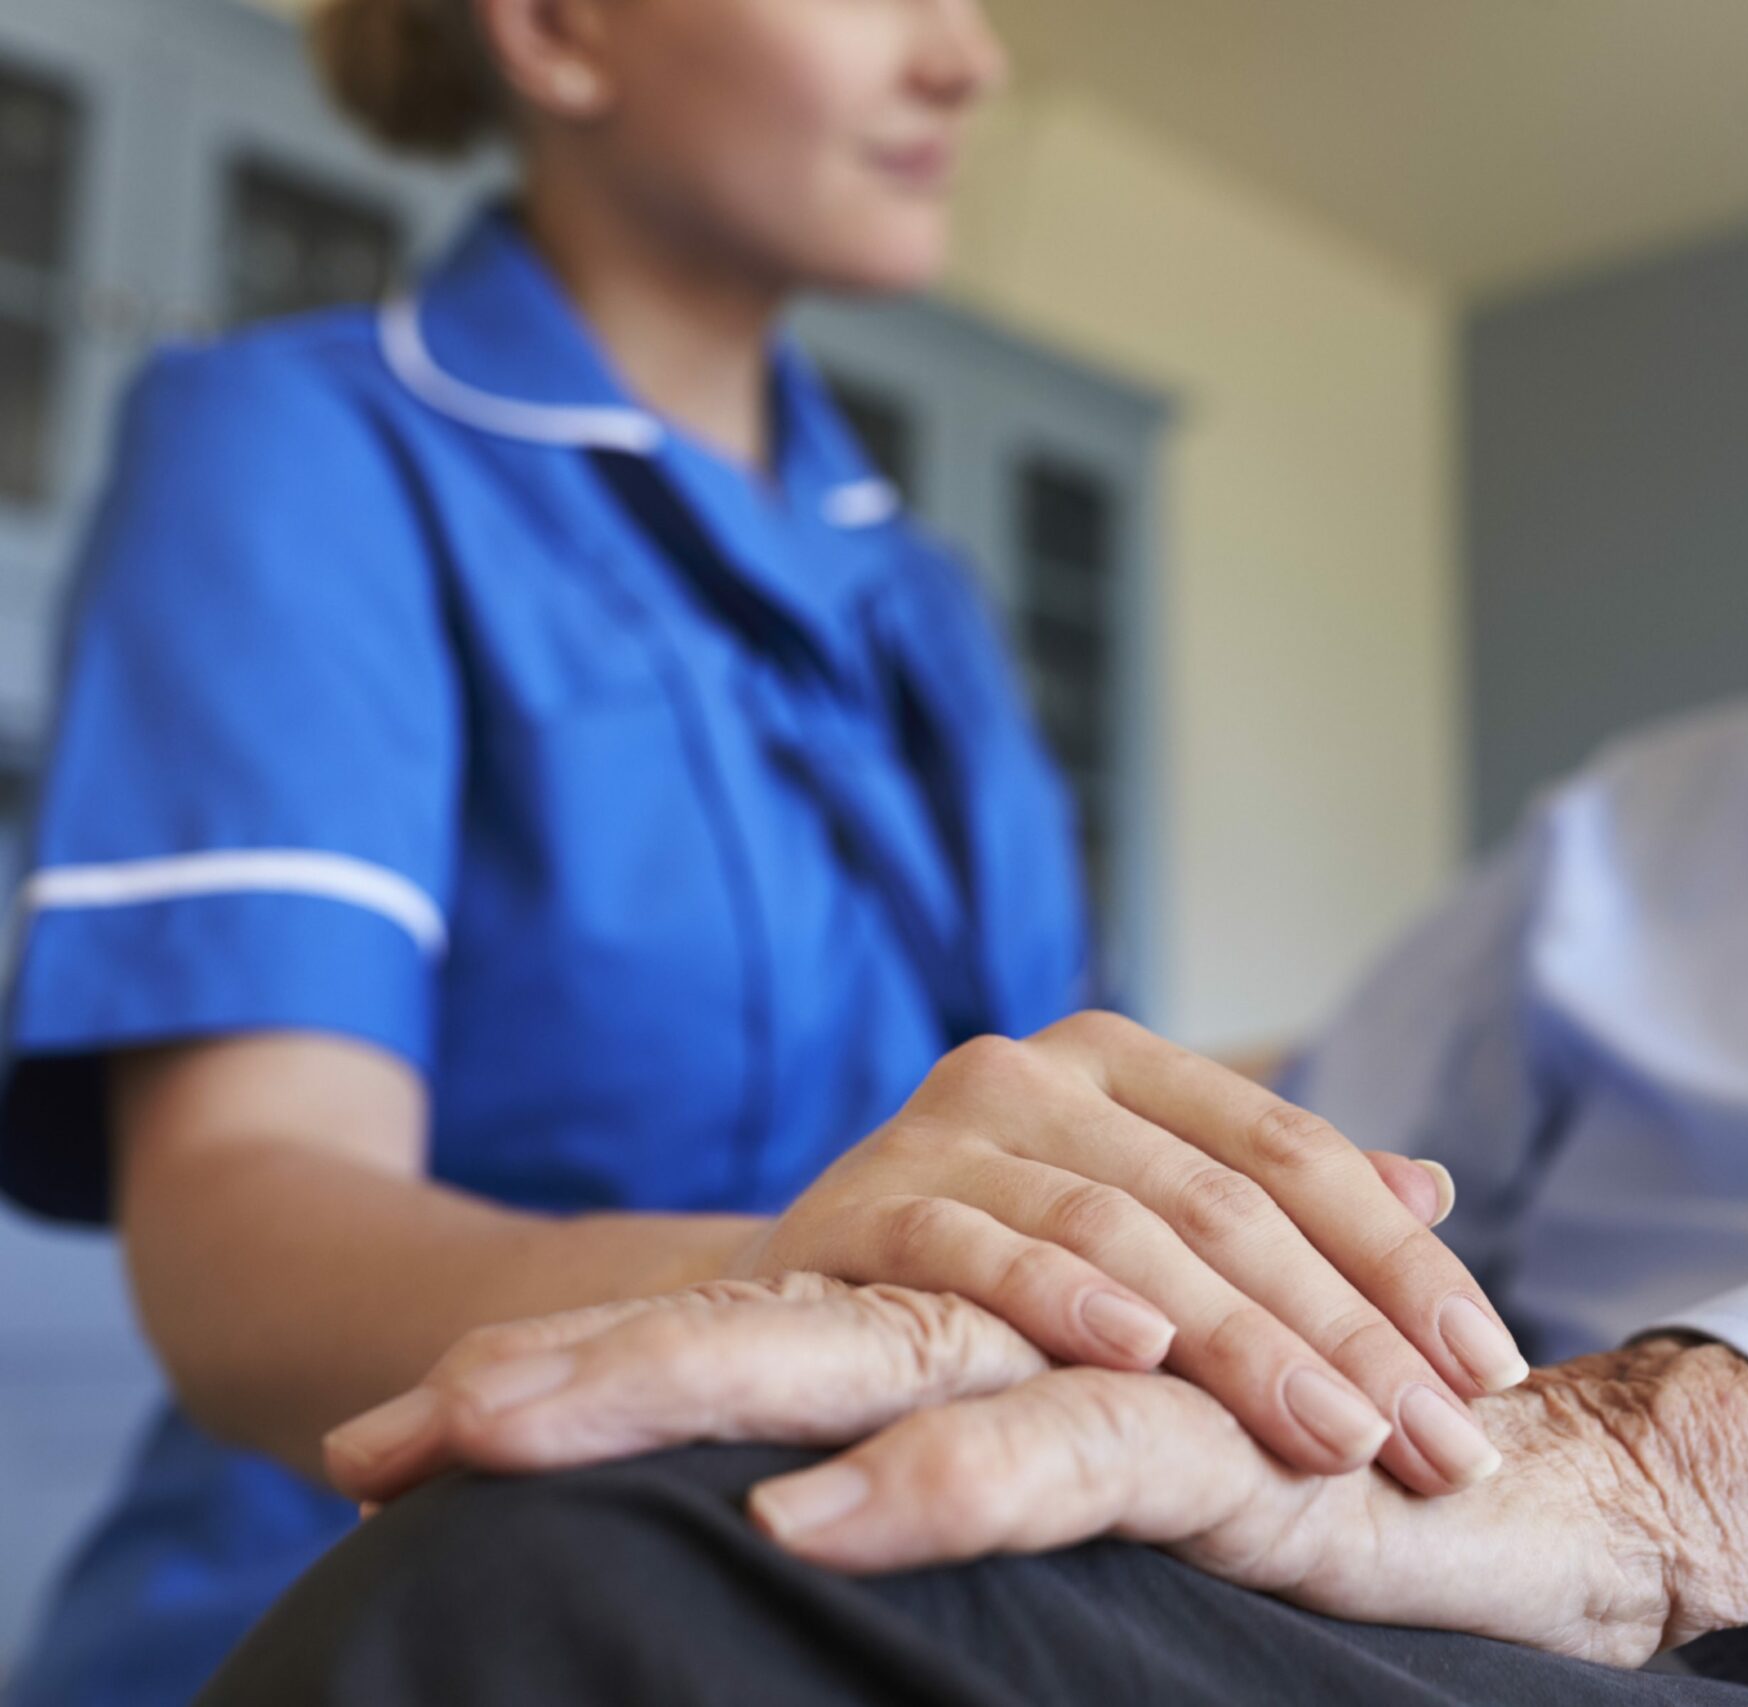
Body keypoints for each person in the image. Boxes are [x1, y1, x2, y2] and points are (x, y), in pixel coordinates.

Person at [202, 0, 1748, 1702]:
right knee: (608, 1577)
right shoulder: (1626, 839)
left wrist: (1674, 1465)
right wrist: (1024, 1254)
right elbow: (1273, 1176)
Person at [0, 0, 1539, 1700]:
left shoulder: (923, 606)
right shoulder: (297, 450)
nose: (969, 62)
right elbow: (243, 1240)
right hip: (372, 1616)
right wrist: (771, 1287)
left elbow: (1036, 1097)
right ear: (560, 30)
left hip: (856, 1595)